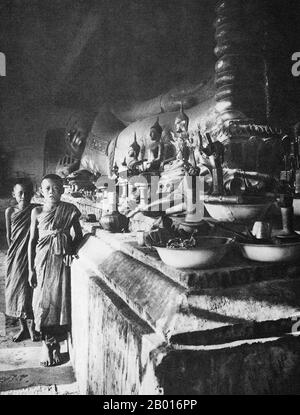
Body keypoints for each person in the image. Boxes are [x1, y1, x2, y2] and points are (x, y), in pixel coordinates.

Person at [28, 174, 83, 367]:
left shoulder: (70, 210)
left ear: (63, 190)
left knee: (58, 303)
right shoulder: (37, 212)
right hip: (42, 261)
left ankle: (56, 346)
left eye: (56, 188)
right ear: (41, 191)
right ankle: (46, 345)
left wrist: (71, 250)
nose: (52, 192)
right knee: (42, 302)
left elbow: (79, 235)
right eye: (48, 188)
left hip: (60, 262)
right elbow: (32, 241)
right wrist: (30, 270)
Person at [5, 178, 39, 342]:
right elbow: (9, 236)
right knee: (16, 290)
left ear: (33, 194)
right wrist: (14, 254)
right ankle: (23, 328)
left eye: (27, 193)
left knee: (29, 290)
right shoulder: (10, 211)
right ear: (14, 194)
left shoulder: (36, 210)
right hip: (15, 256)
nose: (24, 196)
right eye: (20, 193)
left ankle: (32, 328)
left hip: (31, 254)